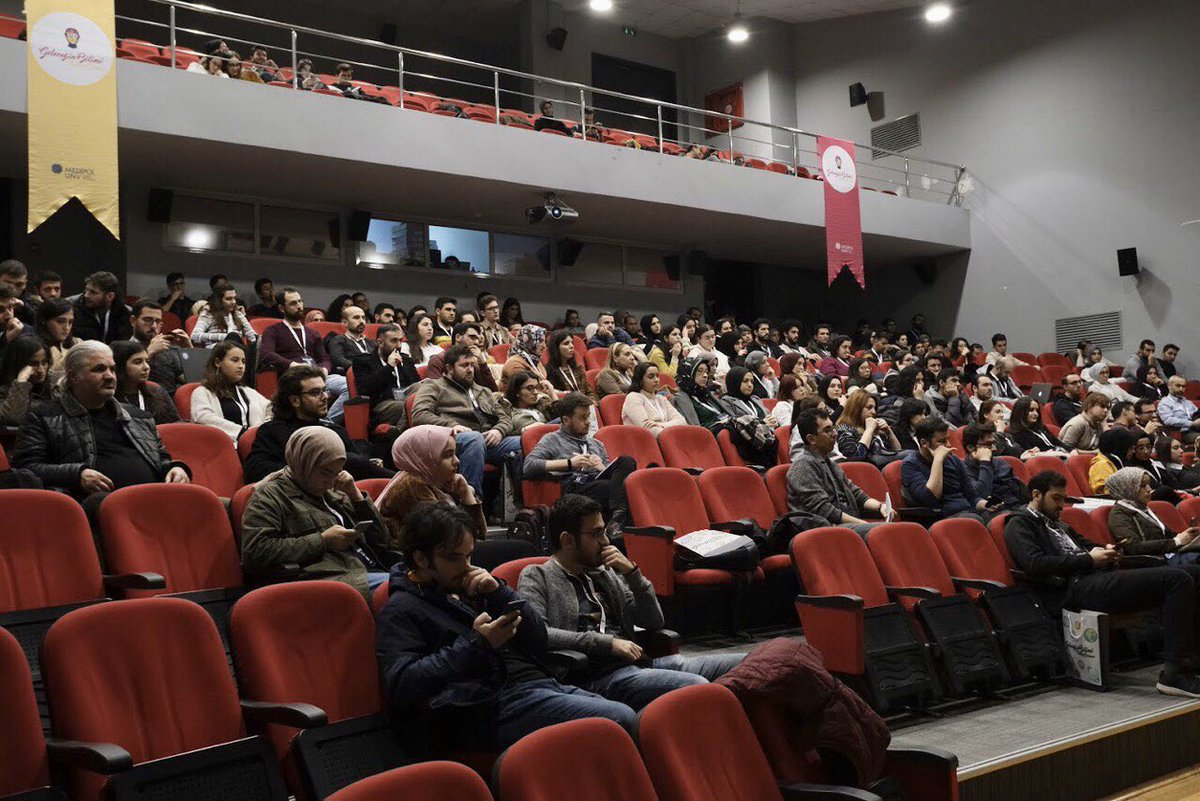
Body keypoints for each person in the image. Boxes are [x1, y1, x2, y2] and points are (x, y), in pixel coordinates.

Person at [376, 503, 636, 753]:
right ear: (421, 559)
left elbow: (539, 639)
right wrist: (478, 644)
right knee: (619, 720)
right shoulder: (401, 609)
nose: (466, 567)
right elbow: (402, 684)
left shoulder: (472, 587)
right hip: (485, 708)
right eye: (455, 558)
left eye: (469, 555)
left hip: (537, 685)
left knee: (631, 716)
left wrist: (500, 592)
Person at [518, 495, 743, 708]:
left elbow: (653, 621)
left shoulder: (604, 573)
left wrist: (633, 574)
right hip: (597, 678)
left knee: (746, 662)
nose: (605, 541)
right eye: (596, 534)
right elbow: (540, 633)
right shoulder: (537, 576)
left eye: (604, 532)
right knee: (698, 688)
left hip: (641, 665)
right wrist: (607, 643)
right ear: (567, 540)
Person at [1004, 470, 1200, 698]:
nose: (1061, 505)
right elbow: (1034, 563)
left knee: (1194, 572)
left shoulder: (1058, 523)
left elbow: (1085, 545)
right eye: (1056, 498)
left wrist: (1106, 550)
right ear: (1036, 495)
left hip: (1096, 577)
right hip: (1074, 588)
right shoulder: (1019, 524)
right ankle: (1175, 675)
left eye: (1063, 499)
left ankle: (1192, 659)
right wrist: (1090, 559)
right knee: (1176, 578)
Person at [13, 341, 190, 508]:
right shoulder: (43, 417)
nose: (109, 376)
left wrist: (175, 467)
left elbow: (160, 457)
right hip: (94, 505)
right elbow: (26, 469)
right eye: (99, 369)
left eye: (112, 369)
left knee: (210, 503)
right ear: (74, 376)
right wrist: (77, 474)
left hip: (155, 497)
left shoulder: (139, 417)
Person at [241, 427, 393, 599]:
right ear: (302, 463)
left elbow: (383, 542)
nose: (330, 482)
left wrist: (358, 498)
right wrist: (322, 541)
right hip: (331, 577)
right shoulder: (269, 496)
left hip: (367, 567)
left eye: (337, 472)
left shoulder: (336, 491)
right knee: (401, 588)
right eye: (325, 472)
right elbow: (256, 551)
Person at [243, 365, 391, 483]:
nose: (325, 397)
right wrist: (320, 469)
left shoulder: (335, 430)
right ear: (295, 400)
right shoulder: (273, 431)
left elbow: (362, 465)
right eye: (315, 393)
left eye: (324, 390)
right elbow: (256, 471)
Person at [411, 343, 523, 499]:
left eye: (472, 364)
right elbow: (419, 415)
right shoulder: (433, 386)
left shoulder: (483, 391)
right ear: (450, 368)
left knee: (524, 442)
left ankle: (522, 505)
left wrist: (499, 430)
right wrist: (452, 426)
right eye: (464, 365)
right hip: (452, 439)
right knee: (474, 439)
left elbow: (505, 418)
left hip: (487, 440)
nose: (470, 369)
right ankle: (470, 501)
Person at [525, 392, 636, 525]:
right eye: (582, 418)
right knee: (618, 490)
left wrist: (602, 467)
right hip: (575, 486)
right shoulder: (552, 439)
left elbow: (612, 476)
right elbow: (529, 465)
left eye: (588, 416)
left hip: (597, 481)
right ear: (566, 420)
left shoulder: (596, 443)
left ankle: (617, 518)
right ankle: (619, 521)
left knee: (626, 461)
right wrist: (570, 463)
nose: (588, 422)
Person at [376, 425, 487, 545]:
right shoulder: (412, 486)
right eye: (448, 455)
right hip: (424, 560)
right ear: (425, 457)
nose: (457, 461)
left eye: (455, 454)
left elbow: (478, 534)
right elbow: (452, 538)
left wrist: (466, 493)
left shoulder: (438, 481)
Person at [788, 409, 888, 538]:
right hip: (823, 531)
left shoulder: (831, 463)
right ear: (811, 439)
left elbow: (857, 494)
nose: (835, 433)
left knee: (894, 528)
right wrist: (863, 524)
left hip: (842, 526)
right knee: (885, 532)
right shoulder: (802, 466)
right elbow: (824, 510)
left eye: (833, 428)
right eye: (827, 430)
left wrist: (880, 506)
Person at [258, 287, 350, 421]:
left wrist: (324, 369)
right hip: (295, 376)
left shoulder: (312, 332)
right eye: (293, 303)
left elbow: (324, 358)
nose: (299, 306)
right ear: (282, 308)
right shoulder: (273, 330)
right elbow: (266, 354)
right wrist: (292, 365)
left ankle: (326, 421)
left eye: (300, 301)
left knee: (350, 386)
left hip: (317, 375)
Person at [901, 417, 991, 523]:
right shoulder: (911, 464)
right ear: (924, 443)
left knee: (1003, 516)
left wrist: (989, 505)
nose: (948, 445)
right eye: (942, 441)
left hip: (969, 513)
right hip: (943, 518)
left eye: (948, 439)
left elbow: (973, 497)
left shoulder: (953, 460)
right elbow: (930, 499)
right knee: (975, 519)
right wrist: (938, 460)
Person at [1105, 467, 1199, 563]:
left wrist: (1187, 535)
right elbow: (1134, 547)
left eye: (1148, 484)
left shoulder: (1143, 507)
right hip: (1153, 561)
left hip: (1168, 554)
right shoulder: (1119, 514)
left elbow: (1164, 534)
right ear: (1128, 488)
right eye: (1142, 486)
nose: (1149, 489)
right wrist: (1177, 541)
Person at [189, 341, 271, 441]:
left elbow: (271, 407)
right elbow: (203, 418)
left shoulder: (247, 391)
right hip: (223, 447)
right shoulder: (202, 392)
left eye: (243, 361)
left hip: (255, 443)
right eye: (235, 360)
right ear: (217, 362)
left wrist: (265, 427)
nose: (241, 366)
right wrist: (243, 433)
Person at [350, 323, 419, 429]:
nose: (399, 345)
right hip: (382, 405)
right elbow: (365, 388)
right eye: (394, 341)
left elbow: (416, 384)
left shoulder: (406, 360)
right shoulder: (363, 361)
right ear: (380, 342)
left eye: (400, 340)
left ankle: (400, 429)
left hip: (407, 399)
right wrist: (388, 367)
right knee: (411, 406)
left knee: (427, 385)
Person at [718, 367, 779, 467]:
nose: (750, 385)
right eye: (745, 381)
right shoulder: (726, 402)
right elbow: (737, 422)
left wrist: (774, 422)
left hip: (770, 440)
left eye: (751, 381)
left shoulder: (755, 399)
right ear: (735, 382)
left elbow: (768, 416)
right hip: (751, 445)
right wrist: (762, 423)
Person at [110, 341, 180, 425]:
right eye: (138, 362)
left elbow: (174, 426)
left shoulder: (156, 392)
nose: (146, 367)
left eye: (147, 361)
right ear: (120, 366)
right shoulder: (108, 396)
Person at [961, 423, 1027, 511]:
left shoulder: (999, 462)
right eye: (988, 444)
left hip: (1018, 508)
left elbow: (1021, 492)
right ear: (970, 448)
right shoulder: (963, 470)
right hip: (995, 512)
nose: (994, 448)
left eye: (994, 443)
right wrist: (985, 462)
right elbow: (981, 495)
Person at [127, 300, 188, 394]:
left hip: (170, 401)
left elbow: (192, 380)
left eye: (158, 321)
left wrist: (188, 350)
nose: (153, 326)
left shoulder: (168, 350)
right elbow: (124, 381)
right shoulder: (123, 348)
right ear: (133, 321)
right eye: (148, 320)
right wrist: (150, 352)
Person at [835, 390, 901, 468]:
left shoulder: (871, 427)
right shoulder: (844, 428)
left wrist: (889, 432)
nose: (873, 412)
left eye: (874, 408)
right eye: (869, 407)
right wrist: (869, 430)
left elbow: (898, 451)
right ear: (856, 408)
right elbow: (855, 457)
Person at [621, 362, 686, 437]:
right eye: (651, 376)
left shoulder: (661, 399)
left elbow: (682, 421)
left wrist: (660, 425)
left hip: (668, 439)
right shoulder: (633, 397)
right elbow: (647, 429)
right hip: (643, 443)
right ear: (640, 380)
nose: (656, 380)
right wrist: (671, 429)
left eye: (657, 376)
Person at [0, 336, 52, 425]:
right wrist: (21, 381)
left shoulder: (54, 385)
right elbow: (12, 418)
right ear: (18, 364)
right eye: (33, 364)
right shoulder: (4, 392)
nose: (41, 370)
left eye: (44, 362)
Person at [672, 356, 729, 431]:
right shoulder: (680, 399)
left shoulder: (706, 393)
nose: (705, 375)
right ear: (688, 374)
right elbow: (695, 429)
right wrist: (720, 424)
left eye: (706, 372)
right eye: (700, 371)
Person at [72, 271, 130, 344]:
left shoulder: (125, 313)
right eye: (86, 290)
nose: (86, 295)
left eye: (93, 292)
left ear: (110, 296)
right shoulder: (73, 309)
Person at [190, 283, 257, 347]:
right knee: (232, 336)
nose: (233, 302)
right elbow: (194, 336)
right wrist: (224, 337)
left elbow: (253, 336)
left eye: (234, 298)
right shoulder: (208, 314)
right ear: (218, 300)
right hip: (216, 351)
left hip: (236, 350)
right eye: (228, 299)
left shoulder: (238, 314)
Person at [500, 325, 554, 395]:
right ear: (529, 341)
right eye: (540, 341)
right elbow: (528, 390)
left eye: (544, 341)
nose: (544, 346)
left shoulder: (535, 360)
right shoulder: (514, 364)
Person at [1087, 426, 1137, 496]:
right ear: (1122, 448)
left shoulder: (1119, 462)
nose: (1133, 451)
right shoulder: (1101, 465)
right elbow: (1108, 493)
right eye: (1131, 448)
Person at [328, 303, 376, 375]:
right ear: (345, 323)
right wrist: (362, 367)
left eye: (363, 318)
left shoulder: (370, 342)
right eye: (356, 318)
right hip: (349, 375)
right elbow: (338, 359)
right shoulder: (339, 340)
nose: (361, 321)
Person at [36, 297, 76, 380]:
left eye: (70, 322)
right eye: (60, 321)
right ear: (44, 321)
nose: (67, 327)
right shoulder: (35, 348)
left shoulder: (77, 343)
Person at [544, 329, 590, 397]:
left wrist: (592, 404)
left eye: (572, 342)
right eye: (566, 343)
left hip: (584, 404)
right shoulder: (548, 372)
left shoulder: (577, 368)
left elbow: (589, 391)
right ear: (556, 348)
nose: (571, 346)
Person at [1158, 376, 1200, 445]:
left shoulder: (1188, 402)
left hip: (1197, 429)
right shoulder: (1164, 403)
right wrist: (1192, 423)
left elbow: (1197, 414)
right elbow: (1168, 420)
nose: (1181, 389)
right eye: (1178, 386)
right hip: (1183, 432)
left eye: (1183, 386)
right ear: (1169, 386)